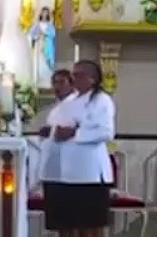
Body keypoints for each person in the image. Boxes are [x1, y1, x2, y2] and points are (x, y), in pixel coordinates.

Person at [39, 60, 116, 237]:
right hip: (61, 174)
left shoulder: (101, 100)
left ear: (92, 79)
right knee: (65, 225)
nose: (74, 78)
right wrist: (52, 132)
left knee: (88, 226)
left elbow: (106, 131)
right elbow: (56, 126)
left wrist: (75, 133)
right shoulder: (69, 101)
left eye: (79, 75)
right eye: (74, 74)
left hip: (88, 175)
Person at [36, 69, 79, 236]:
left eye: (61, 82)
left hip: (71, 169)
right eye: (54, 82)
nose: (57, 86)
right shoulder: (57, 108)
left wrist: (51, 131)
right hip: (55, 169)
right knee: (60, 221)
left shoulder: (77, 105)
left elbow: (72, 131)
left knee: (72, 219)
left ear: (72, 84)